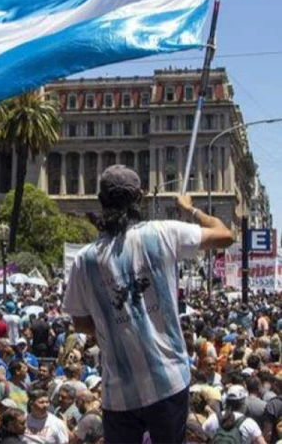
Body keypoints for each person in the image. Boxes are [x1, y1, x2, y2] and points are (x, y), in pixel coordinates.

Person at [63, 165, 234, 443]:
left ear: (101, 201)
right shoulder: (163, 233)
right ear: (139, 199)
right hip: (168, 380)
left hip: (118, 391)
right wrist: (190, 209)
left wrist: (115, 327)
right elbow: (225, 235)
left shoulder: (85, 259)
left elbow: (80, 322)